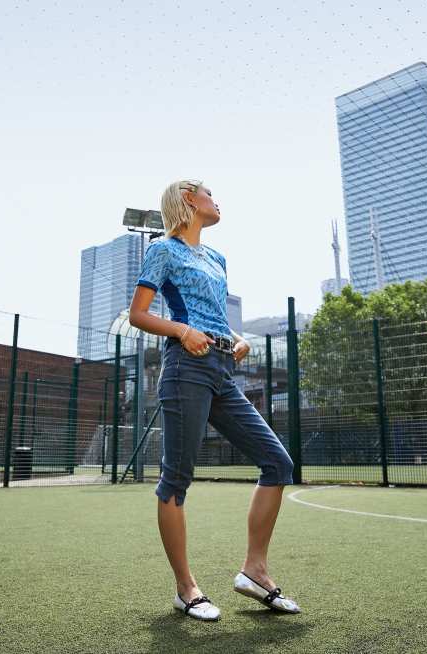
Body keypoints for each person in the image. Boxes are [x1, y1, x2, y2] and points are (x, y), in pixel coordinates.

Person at [128, 179, 301, 621]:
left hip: (224, 372)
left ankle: (254, 570)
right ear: (188, 199)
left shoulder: (217, 257)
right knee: (177, 478)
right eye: (208, 193)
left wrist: (236, 339)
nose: (216, 200)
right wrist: (182, 331)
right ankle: (186, 589)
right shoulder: (163, 249)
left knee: (278, 463)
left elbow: (212, 315)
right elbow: (139, 314)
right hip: (186, 368)